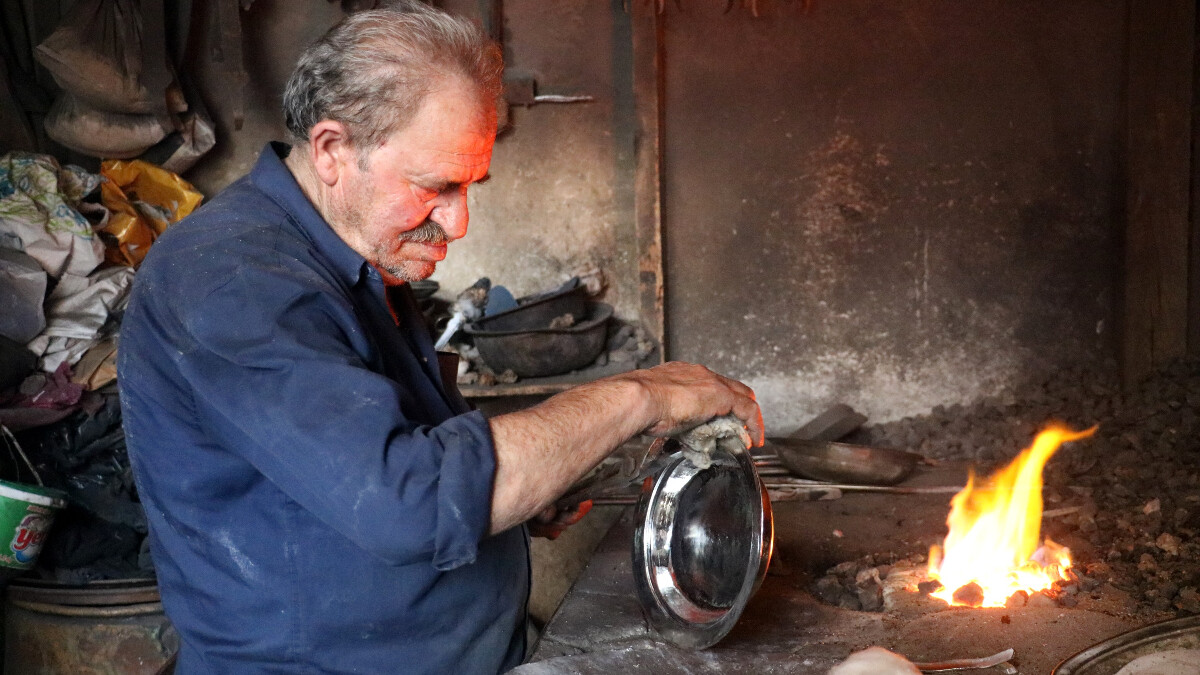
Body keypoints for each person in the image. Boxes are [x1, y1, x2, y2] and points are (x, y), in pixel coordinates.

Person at [118, 3, 762, 673]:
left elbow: (386, 451)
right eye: (438, 186)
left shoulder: (358, 251)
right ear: (333, 150)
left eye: (471, 184)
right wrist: (642, 395)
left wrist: (525, 486)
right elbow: (410, 502)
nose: (457, 223)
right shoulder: (235, 282)